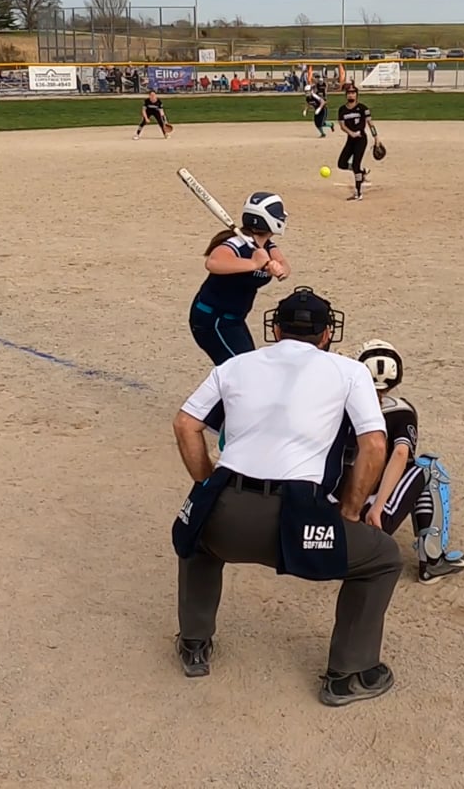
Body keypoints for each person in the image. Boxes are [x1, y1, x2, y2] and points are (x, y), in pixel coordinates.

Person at [171, 287, 403, 706]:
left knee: (196, 536)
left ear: (276, 329)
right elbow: (374, 444)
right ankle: (347, 674)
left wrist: (205, 483)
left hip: (228, 506)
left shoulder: (236, 365)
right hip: (299, 517)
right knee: (383, 558)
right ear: (327, 333)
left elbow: (186, 423)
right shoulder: (350, 371)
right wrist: (351, 510)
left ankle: (194, 644)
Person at [351, 339, 464, 583]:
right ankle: (432, 561)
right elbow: (401, 454)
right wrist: (378, 508)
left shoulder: (340, 405)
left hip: (329, 515)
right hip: (366, 520)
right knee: (429, 468)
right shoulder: (401, 411)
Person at [189, 192, 291, 366]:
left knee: (246, 369)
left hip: (234, 320)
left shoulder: (266, 245)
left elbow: (285, 267)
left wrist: (277, 267)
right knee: (243, 370)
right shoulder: (236, 243)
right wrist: (253, 264)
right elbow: (213, 262)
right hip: (213, 320)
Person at [335, 84, 375, 202]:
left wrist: (376, 138)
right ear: (346, 95)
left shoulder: (363, 108)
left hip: (361, 140)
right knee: (341, 163)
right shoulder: (342, 109)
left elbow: (370, 124)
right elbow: (342, 125)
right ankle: (361, 173)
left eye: (353, 93)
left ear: (357, 95)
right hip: (351, 139)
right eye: (349, 93)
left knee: (356, 164)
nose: (351, 95)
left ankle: (358, 193)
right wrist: (351, 133)